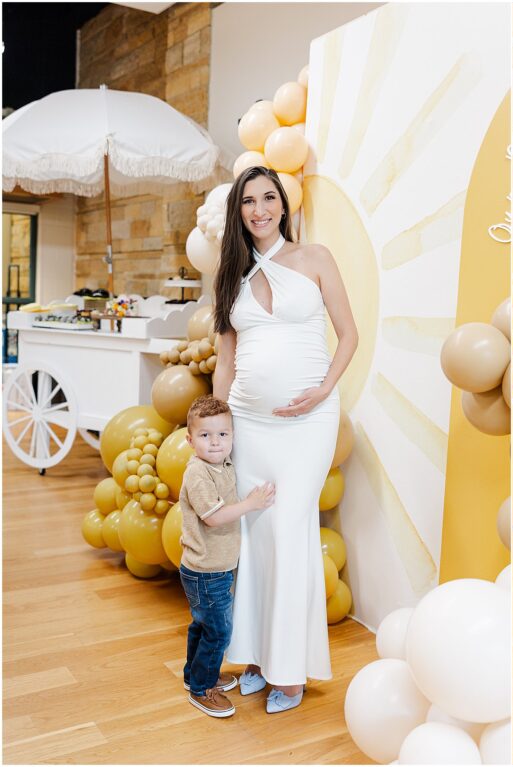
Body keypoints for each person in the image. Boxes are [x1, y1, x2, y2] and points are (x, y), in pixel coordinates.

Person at [212, 165, 358, 714]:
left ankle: (291, 674)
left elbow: (349, 333)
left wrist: (323, 391)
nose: (259, 209)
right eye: (248, 201)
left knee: (289, 527)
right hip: (248, 423)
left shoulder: (315, 258)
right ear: (239, 212)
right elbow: (226, 362)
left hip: (306, 424)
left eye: (268, 197)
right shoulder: (231, 275)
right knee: (254, 536)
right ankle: (255, 658)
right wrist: (217, 430)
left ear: (283, 204)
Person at [178, 394, 276, 718]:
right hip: (206, 570)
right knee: (218, 631)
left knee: (203, 626)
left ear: (233, 436)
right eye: (205, 436)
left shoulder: (222, 462)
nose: (216, 443)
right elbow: (213, 517)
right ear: (190, 440)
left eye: (223, 435)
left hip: (213, 567)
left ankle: (196, 673)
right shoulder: (198, 473)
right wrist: (251, 504)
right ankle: (203, 689)